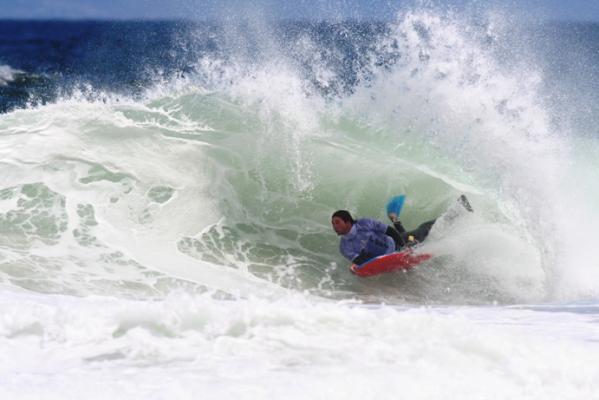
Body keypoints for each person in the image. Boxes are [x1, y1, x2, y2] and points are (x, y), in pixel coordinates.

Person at [331, 210, 402, 265]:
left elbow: (389, 230)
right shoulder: (344, 247)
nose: (335, 226)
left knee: (409, 238)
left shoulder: (365, 223)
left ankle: (395, 220)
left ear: (348, 222)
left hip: (393, 245)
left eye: (337, 222)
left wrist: (405, 246)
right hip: (382, 259)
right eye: (333, 223)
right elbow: (360, 261)